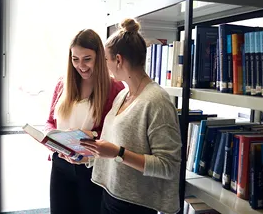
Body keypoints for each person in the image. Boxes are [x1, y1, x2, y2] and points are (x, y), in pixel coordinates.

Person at [80, 18, 182, 214]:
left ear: (118, 60)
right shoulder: (122, 95)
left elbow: (168, 166)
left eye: (106, 60)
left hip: (135, 205)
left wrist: (119, 153)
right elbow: (114, 146)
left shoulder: (157, 101)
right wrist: (87, 156)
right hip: (111, 193)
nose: (104, 66)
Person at [45, 29, 125, 214]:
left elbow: (116, 132)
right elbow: (50, 122)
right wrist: (54, 139)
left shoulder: (115, 88)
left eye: (87, 59)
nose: (81, 66)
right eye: (75, 59)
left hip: (91, 168)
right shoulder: (62, 84)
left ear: (100, 56)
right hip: (61, 163)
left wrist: (94, 135)